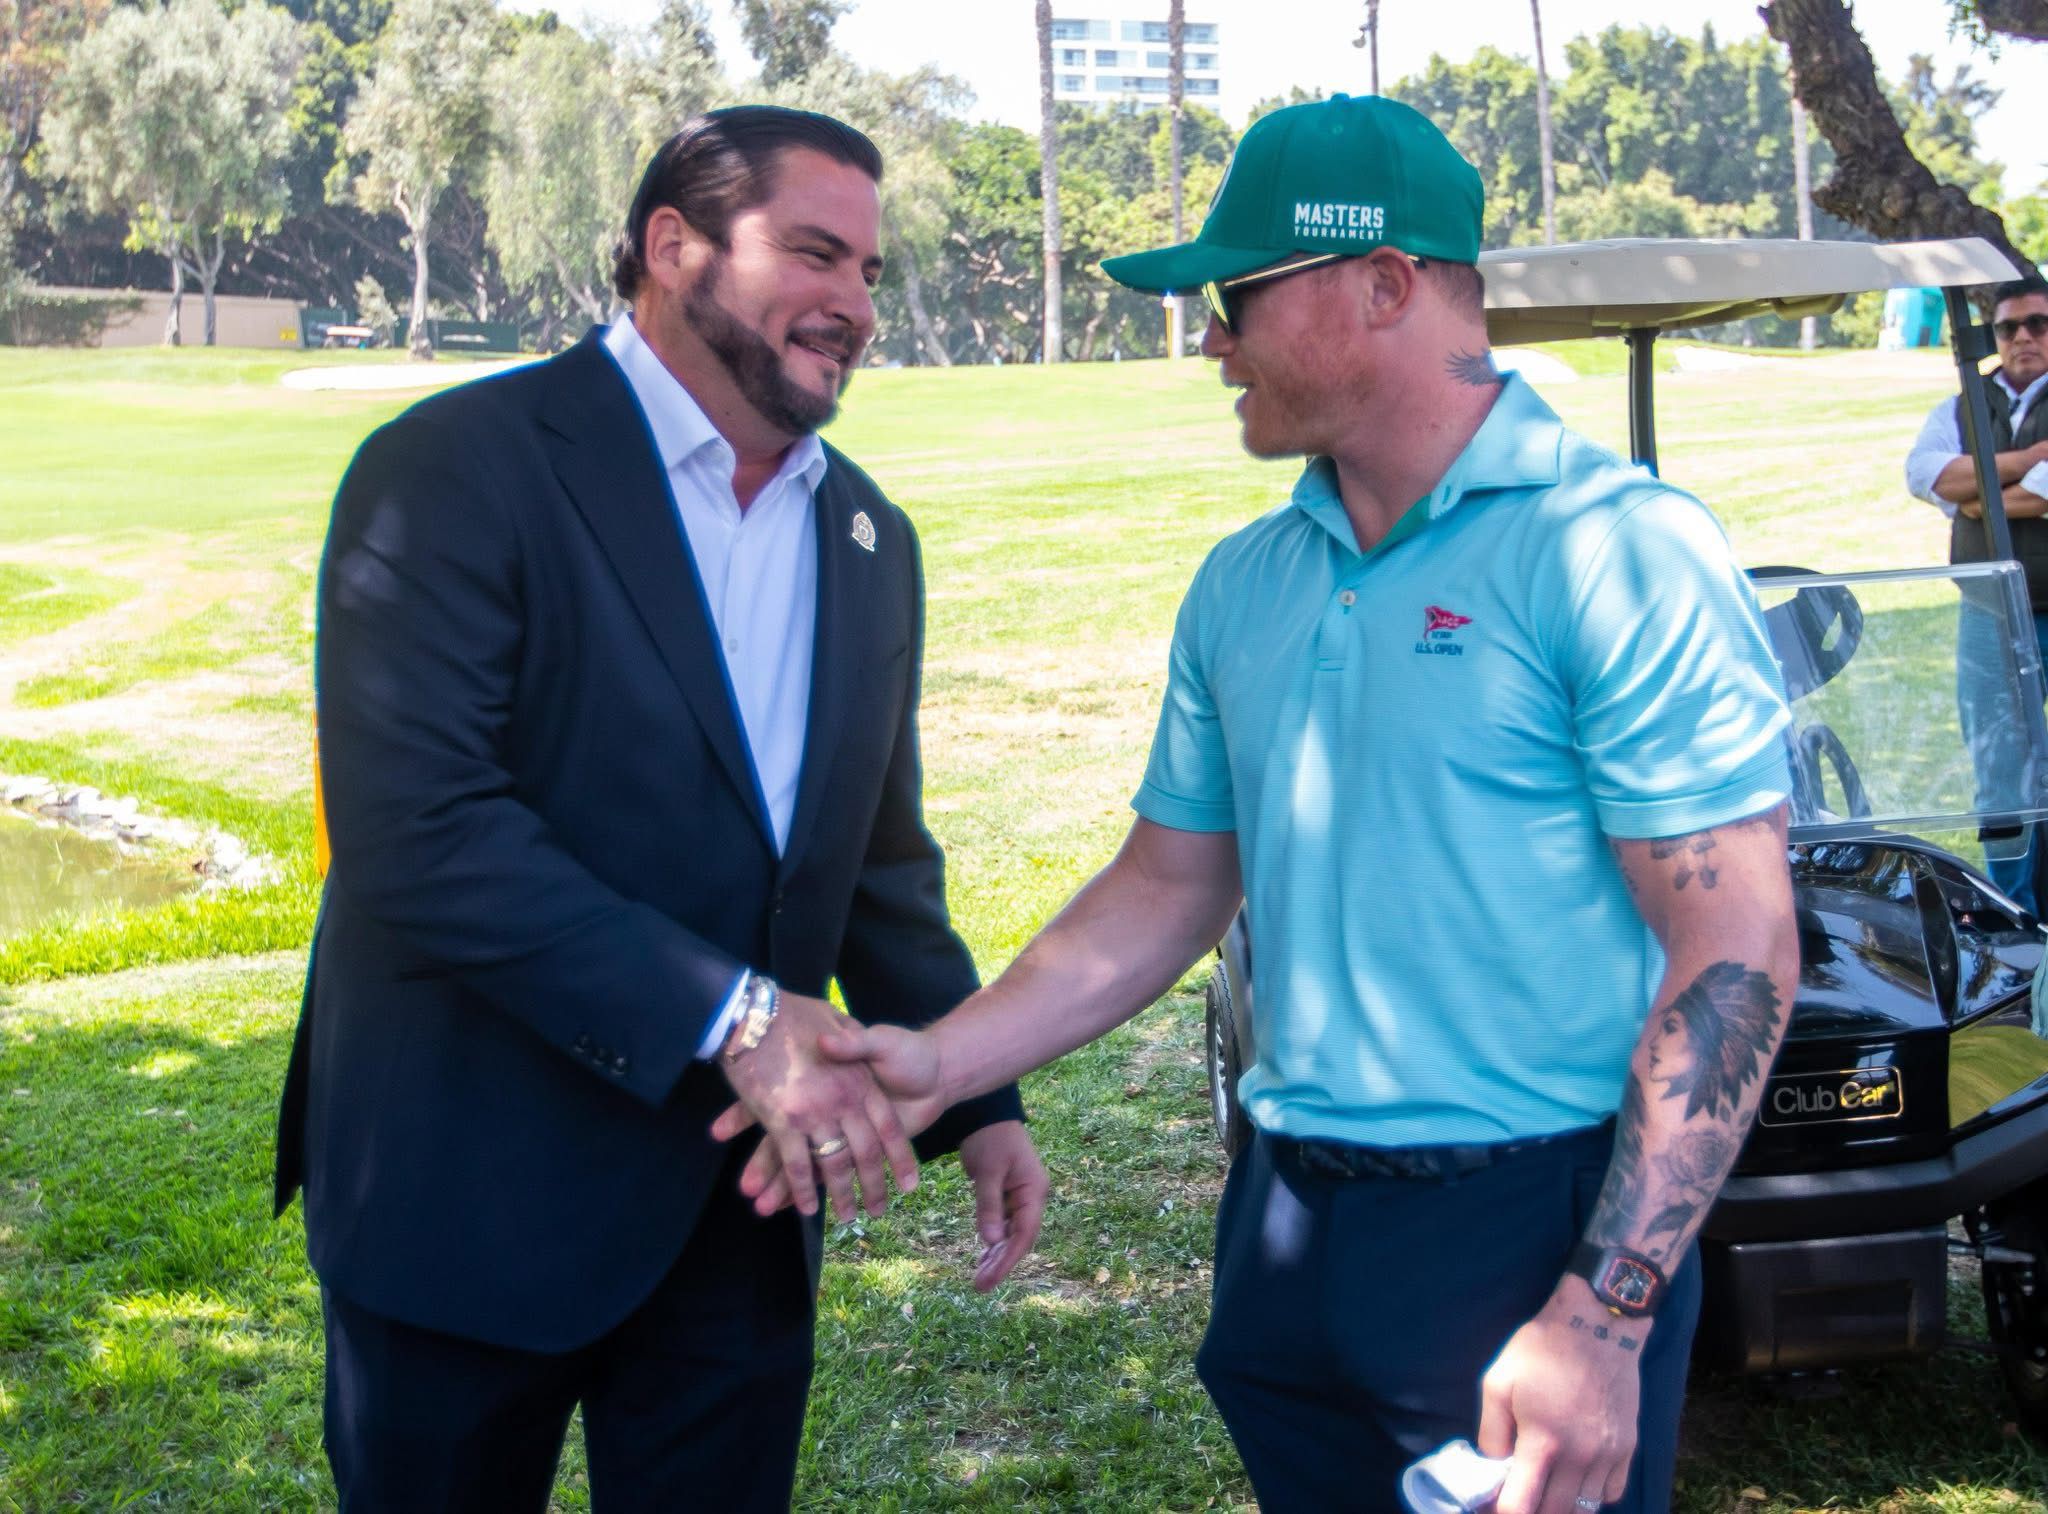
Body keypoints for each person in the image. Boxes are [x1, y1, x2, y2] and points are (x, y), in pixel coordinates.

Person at [720, 95, 1800, 1514]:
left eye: (1236, 298)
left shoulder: (1615, 550)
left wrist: (1606, 1310)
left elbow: (1736, 949)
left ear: (1385, 283)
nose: (1211, 341)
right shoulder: (1247, 580)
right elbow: (1169, 883)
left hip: (1523, 1222)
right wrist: (942, 1057)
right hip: (1286, 1216)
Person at [274, 105, 1046, 1512]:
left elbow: (872, 862)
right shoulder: (452, 466)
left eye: (869, 269)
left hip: (735, 1210)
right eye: (814, 252)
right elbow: (418, 830)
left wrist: (975, 1096)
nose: (855, 303)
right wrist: (738, 1017)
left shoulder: (869, 536)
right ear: (673, 247)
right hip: (464, 1191)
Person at [1905, 274, 2048, 913]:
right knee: (1999, 769)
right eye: (2008, 327)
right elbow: (1927, 474)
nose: (2023, 337)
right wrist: (2031, 458)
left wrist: (1979, 496)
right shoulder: (1962, 404)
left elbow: (1974, 492)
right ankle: (2015, 916)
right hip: (1990, 612)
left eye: (2038, 323)